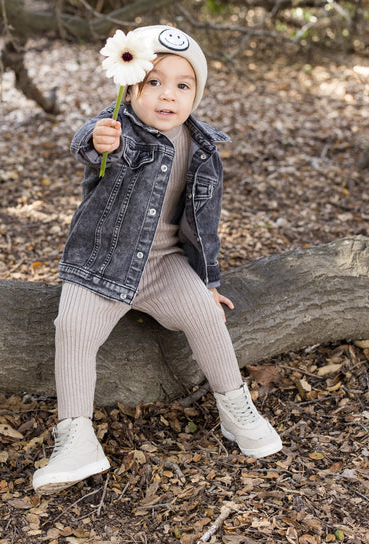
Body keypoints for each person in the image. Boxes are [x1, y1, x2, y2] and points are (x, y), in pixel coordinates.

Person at [32, 25, 282, 495]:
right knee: (73, 330)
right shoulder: (119, 128)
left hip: (166, 265)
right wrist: (100, 139)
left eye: (182, 85)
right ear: (131, 89)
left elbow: (205, 223)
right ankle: (75, 437)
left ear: (196, 95)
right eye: (155, 82)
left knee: (207, 316)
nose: (168, 95)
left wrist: (207, 279)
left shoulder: (204, 147)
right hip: (104, 262)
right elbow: (90, 142)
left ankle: (236, 409)